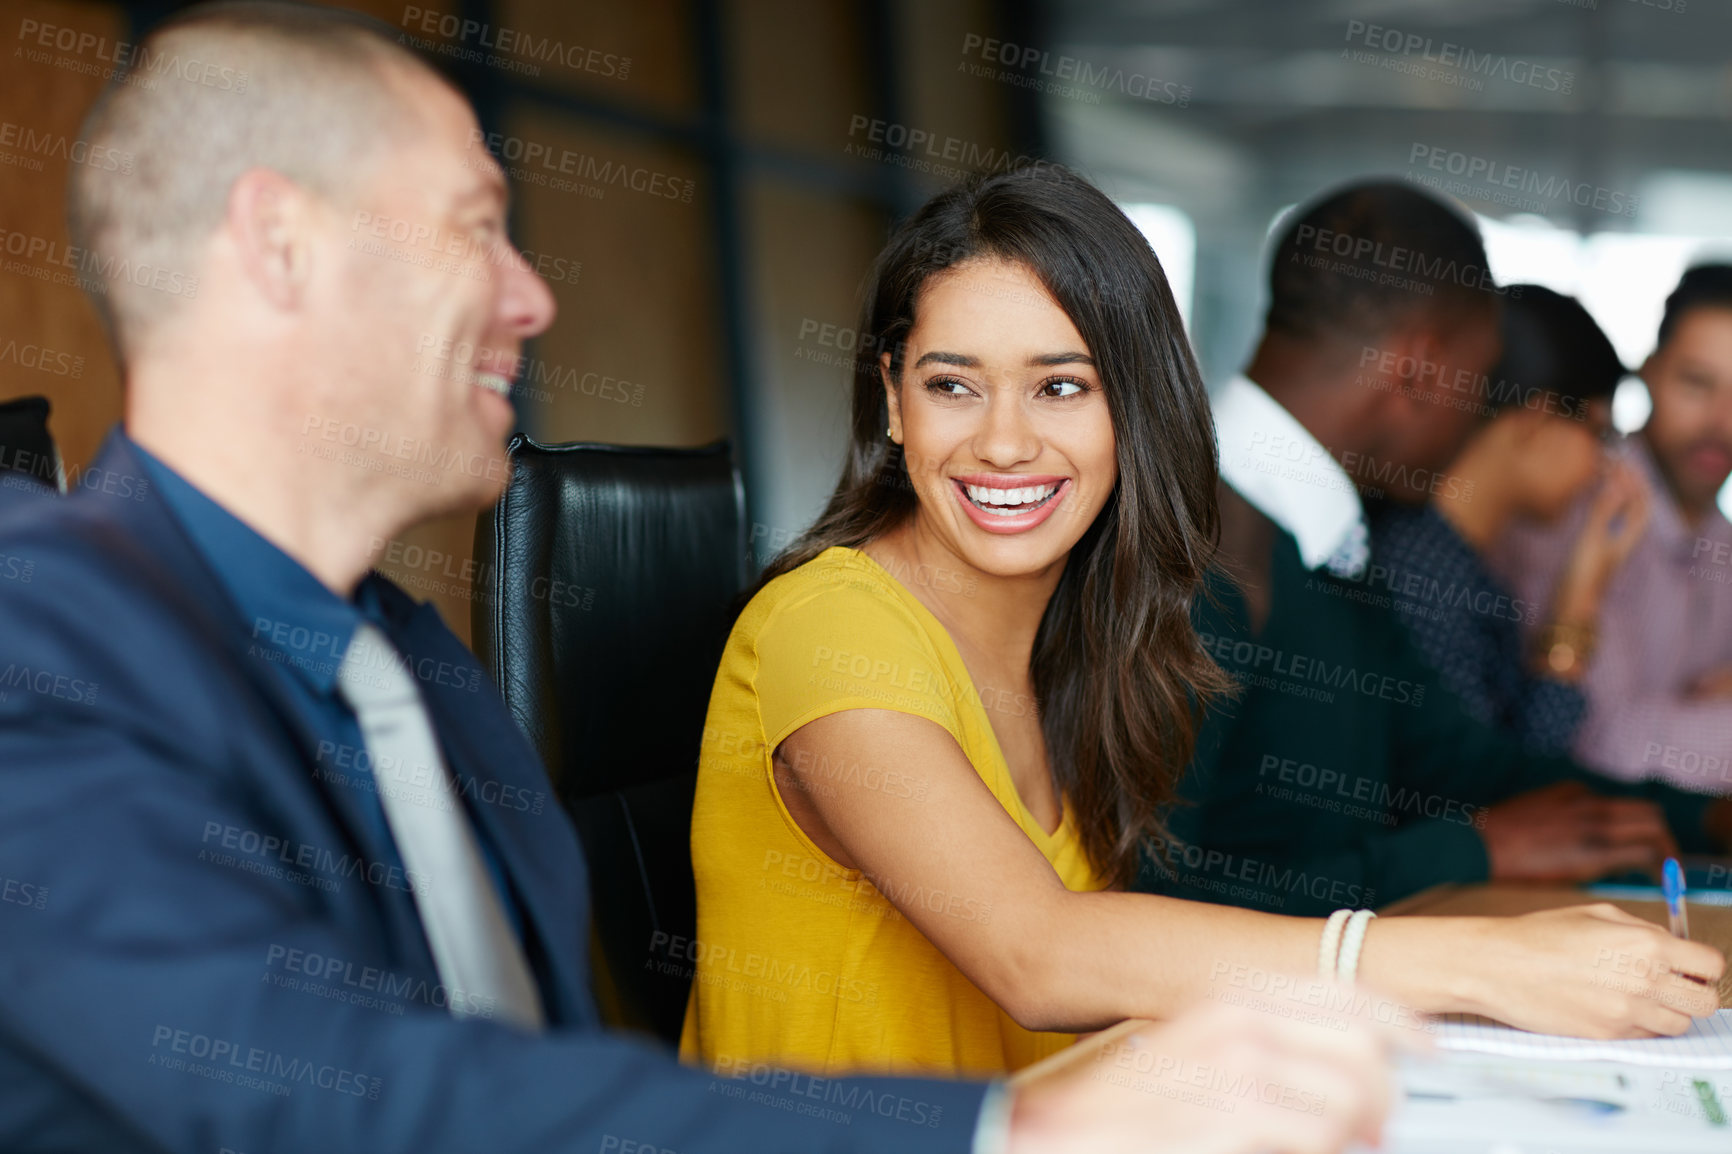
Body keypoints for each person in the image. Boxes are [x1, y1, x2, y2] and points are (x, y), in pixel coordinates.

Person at [0, 6, 1404, 1154]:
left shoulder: (411, 668)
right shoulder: (35, 634)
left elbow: (524, 1080)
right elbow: (320, 1092)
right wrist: (1008, 1129)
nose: (533, 297)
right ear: (279, 245)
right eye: (477, 227)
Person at [678, 165, 1723, 1087]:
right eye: (952, 384)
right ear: (893, 402)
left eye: (1060, 386)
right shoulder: (828, 622)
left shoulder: (1094, 623)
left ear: (1133, 407)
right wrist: (1482, 961)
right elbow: (1037, 953)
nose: (1004, 441)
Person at [1138, 182, 1732, 923]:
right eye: (1478, 385)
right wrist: (1470, 853)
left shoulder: (1329, 543)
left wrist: (1701, 819)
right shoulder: (1195, 548)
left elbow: (1462, 765)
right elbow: (1149, 901)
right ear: (1419, 369)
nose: (1475, 423)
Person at [1367, 286, 1646, 756]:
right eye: (1598, 433)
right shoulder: (1423, 570)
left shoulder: (1451, 557)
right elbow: (1491, 788)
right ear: (1537, 415)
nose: (1603, 465)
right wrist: (1579, 598)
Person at [1491, 265, 1732, 795]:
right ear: (1648, 371)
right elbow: (1604, 744)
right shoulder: (1570, 509)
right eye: (1697, 383)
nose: (1722, 420)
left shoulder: (1724, 544)